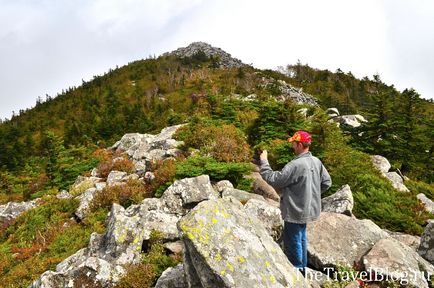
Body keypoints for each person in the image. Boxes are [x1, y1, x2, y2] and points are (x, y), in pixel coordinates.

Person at [259, 130, 331, 272]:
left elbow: (274, 179)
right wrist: (311, 195)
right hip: (309, 210)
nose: (292, 146)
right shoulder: (316, 161)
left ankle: (297, 271)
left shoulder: (295, 165)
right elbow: (327, 182)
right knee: (301, 238)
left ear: (299, 145)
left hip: (295, 210)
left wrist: (264, 162)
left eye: (293, 143)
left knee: (293, 241)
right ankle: (302, 267)